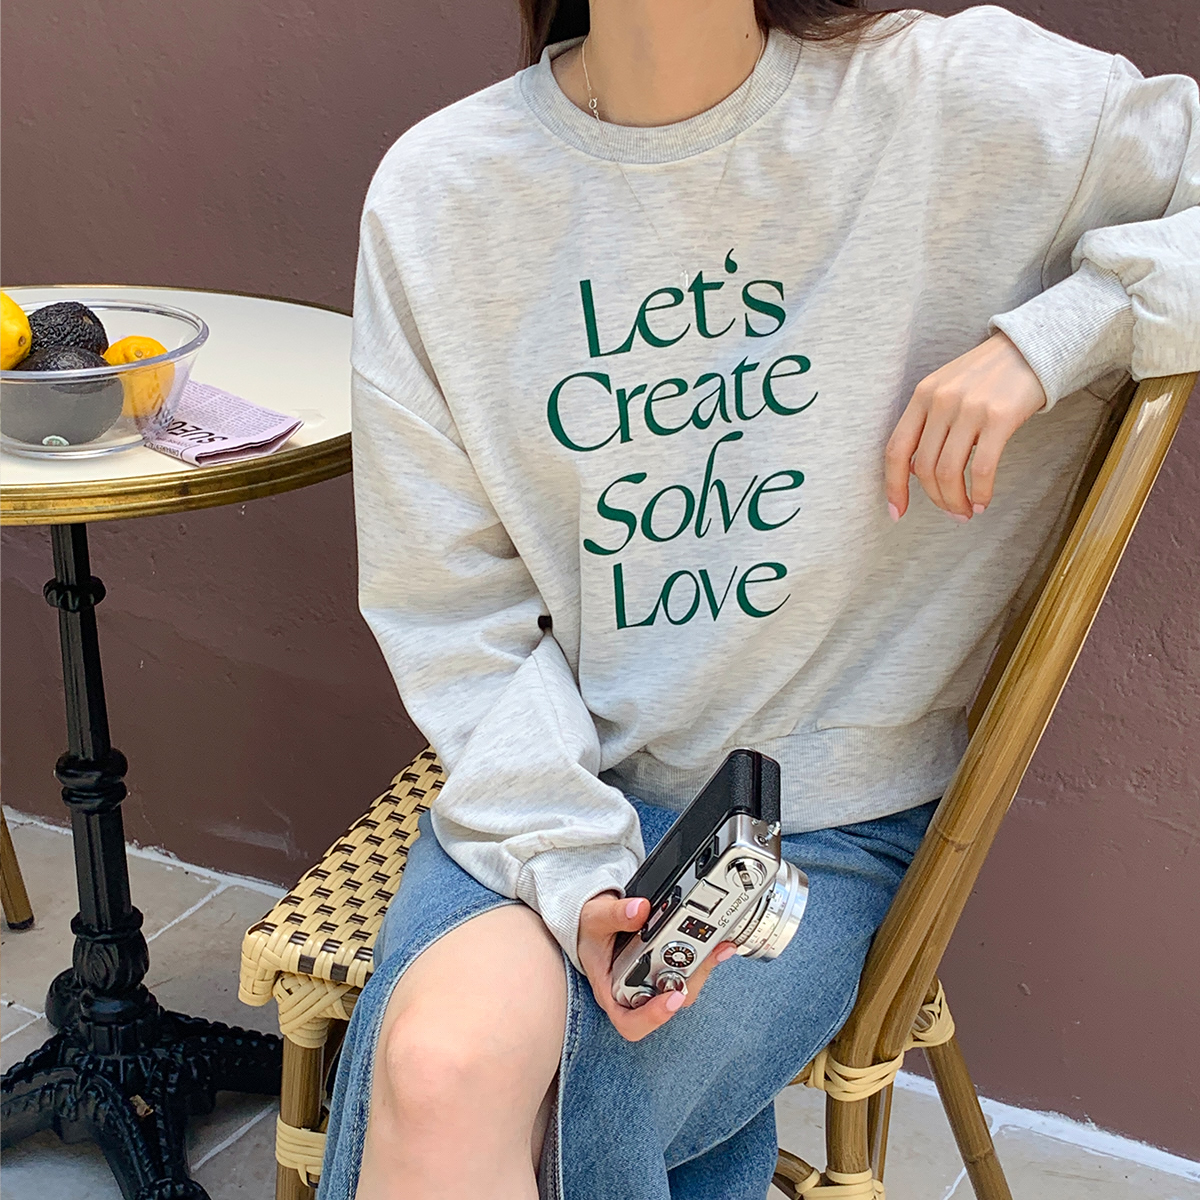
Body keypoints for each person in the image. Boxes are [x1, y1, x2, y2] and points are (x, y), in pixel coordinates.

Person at [319, 2, 1199, 1197]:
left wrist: (1055, 337)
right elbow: (451, 610)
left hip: (814, 827)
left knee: (554, 1109)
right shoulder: (442, 195)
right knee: (440, 1071)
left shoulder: (958, 98)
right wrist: (572, 865)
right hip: (551, 784)